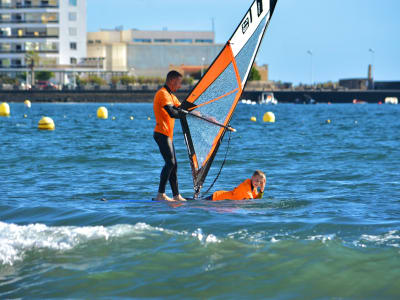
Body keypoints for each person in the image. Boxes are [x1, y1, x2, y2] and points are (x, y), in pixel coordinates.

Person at [153, 70, 187, 202]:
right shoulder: (163, 94)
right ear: (172, 81)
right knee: (170, 163)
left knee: (174, 165)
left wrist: (202, 114)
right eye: (178, 83)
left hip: (167, 135)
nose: (179, 86)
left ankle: (176, 196)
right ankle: (160, 194)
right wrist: (186, 115)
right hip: (161, 134)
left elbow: (182, 108)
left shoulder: (172, 96)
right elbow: (172, 112)